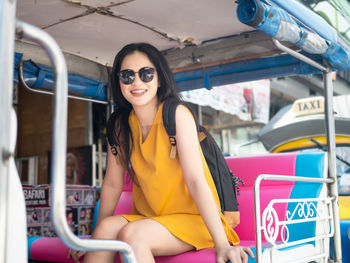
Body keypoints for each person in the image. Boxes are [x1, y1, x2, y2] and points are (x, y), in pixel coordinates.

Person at [68, 43, 253, 263]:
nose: (137, 82)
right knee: (107, 227)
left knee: (133, 234)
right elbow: (112, 184)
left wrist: (222, 243)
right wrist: (94, 240)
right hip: (152, 220)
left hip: (194, 221)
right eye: (127, 75)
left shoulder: (177, 115)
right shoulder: (119, 125)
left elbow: (196, 180)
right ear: (119, 82)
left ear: (159, 78)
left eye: (146, 74)